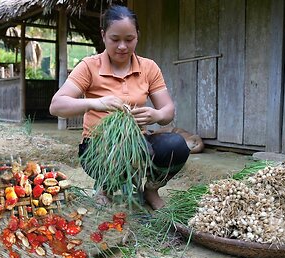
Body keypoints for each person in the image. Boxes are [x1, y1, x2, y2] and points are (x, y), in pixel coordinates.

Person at [49, 5, 189, 210]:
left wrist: (155, 115)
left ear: (137, 36)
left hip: (138, 143)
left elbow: (168, 111)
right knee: (119, 149)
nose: (122, 46)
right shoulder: (89, 66)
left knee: (175, 145)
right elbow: (56, 105)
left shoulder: (149, 68)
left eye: (129, 39)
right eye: (115, 39)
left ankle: (150, 189)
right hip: (98, 146)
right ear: (104, 36)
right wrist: (95, 103)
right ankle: (104, 187)